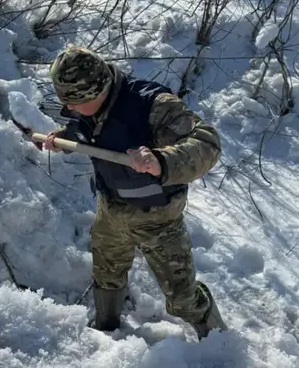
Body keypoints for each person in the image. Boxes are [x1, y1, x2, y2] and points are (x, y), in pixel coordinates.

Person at [39, 46, 228, 339]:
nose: (70, 109)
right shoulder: (85, 105)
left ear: (97, 93)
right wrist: (64, 139)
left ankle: (218, 341)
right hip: (111, 211)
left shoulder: (152, 106)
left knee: (182, 297)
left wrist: (161, 160)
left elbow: (207, 144)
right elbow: (84, 128)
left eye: (75, 102)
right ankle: (106, 328)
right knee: (107, 275)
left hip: (158, 218)